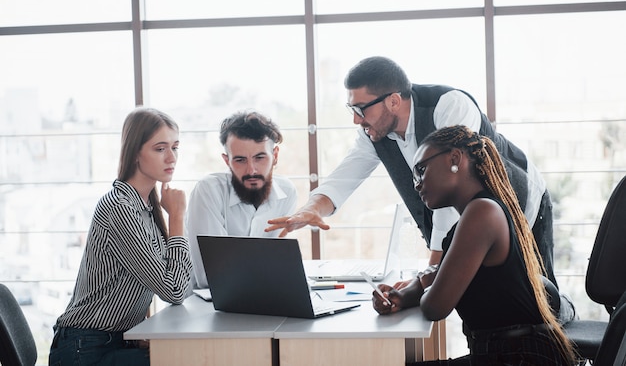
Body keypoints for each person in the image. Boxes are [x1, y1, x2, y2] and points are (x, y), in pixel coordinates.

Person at [266, 55, 575, 323]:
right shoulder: (375, 133)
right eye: (352, 108)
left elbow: (449, 197)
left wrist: (430, 273)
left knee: (539, 306)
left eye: (360, 108)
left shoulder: (449, 106)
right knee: (485, 302)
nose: (355, 119)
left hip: (522, 208)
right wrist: (310, 209)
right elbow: (346, 175)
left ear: (393, 100)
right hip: (470, 228)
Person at [372, 125, 576, 365]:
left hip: (519, 358)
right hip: (502, 354)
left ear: (455, 159)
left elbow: (435, 307)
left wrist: (427, 283)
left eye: (421, 170)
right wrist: (406, 293)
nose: (416, 184)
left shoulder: (482, 213)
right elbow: (443, 278)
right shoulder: (474, 215)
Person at [48, 107, 192, 366]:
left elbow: (177, 281)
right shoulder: (120, 208)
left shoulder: (146, 208)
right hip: (85, 350)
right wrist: (178, 218)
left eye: (175, 147)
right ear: (135, 153)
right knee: (186, 360)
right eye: (160, 149)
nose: (172, 157)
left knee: (187, 356)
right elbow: (174, 290)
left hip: (115, 341)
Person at [186, 110, 297, 288]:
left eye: (260, 158)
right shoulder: (208, 191)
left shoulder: (287, 192)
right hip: (205, 305)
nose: (251, 170)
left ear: (275, 156)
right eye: (240, 160)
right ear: (227, 161)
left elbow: (279, 264)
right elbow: (210, 275)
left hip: (261, 296)